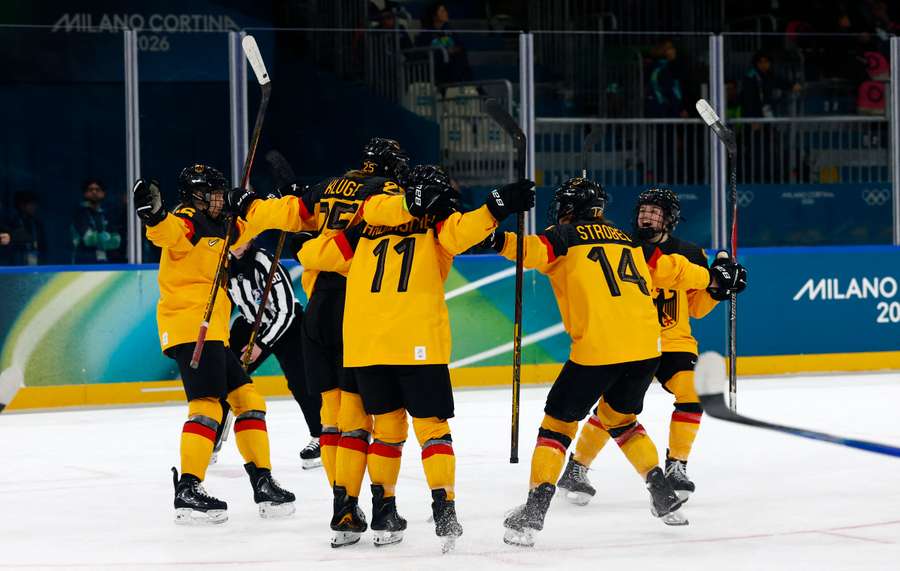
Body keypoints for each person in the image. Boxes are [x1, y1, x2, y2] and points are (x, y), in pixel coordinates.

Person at [480, 177, 746, 547]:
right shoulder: (626, 239)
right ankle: (663, 494)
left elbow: (522, 249)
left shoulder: (562, 236)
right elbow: (672, 270)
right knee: (620, 419)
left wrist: (492, 228)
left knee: (557, 425)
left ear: (569, 209)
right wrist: (713, 277)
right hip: (646, 349)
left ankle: (533, 511)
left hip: (599, 348)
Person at [300, 164, 535, 551]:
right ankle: (444, 508)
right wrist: (499, 204)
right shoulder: (437, 223)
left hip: (365, 345)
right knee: (432, 428)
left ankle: (383, 511)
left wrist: (344, 231)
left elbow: (313, 253)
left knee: (387, 430)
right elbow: (463, 232)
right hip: (416, 341)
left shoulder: (367, 223)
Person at [132, 164, 310, 525]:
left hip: (213, 329)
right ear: (196, 196)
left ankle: (262, 482)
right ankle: (188, 488)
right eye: (212, 191)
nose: (219, 196)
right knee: (207, 406)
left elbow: (264, 221)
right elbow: (168, 233)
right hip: (190, 326)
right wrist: (154, 216)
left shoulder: (228, 224)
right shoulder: (187, 220)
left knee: (249, 402)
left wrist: (285, 199)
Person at [557, 187, 721, 506]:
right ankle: (576, 467)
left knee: (692, 391)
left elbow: (697, 307)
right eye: (643, 209)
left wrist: (720, 289)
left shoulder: (691, 253)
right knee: (615, 409)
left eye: (655, 211)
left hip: (674, 341)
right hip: (633, 340)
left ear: (670, 219)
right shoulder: (622, 243)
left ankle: (676, 467)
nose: (647, 215)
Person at [295, 137, 417, 547]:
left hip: (317, 305)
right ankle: (383, 506)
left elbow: (298, 224)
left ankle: (342, 508)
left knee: (331, 415)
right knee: (368, 415)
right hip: (357, 304)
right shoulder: (388, 193)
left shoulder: (328, 185)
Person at [219, 240, 323, 469]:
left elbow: (285, 311)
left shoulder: (266, 262)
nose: (236, 244)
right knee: (224, 377)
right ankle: (212, 435)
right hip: (250, 323)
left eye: (241, 239)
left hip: (288, 326)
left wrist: (261, 344)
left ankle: (321, 437)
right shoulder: (224, 263)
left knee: (302, 383)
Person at [71, 179, 121, 264]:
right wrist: (106, 239)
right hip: (83, 262)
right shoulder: (79, 213)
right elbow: (88, 240)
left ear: (103, 193)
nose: (94, 192)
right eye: (90, 190)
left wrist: (98, 239)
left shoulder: (107, 214)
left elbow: (116, 241)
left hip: (105, 262)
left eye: (98, 189)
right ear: (85, 193)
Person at [6, 192, 46, 266]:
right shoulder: (12, 223)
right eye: (31, 204)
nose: (35, 207)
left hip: (36, 262)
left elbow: (43, 246)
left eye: (35, 204)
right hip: (16, 264)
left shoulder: (37, 224)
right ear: (22, 206)